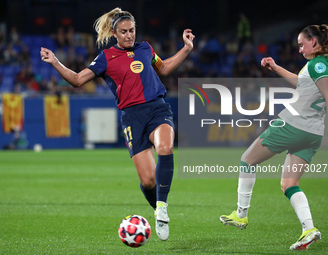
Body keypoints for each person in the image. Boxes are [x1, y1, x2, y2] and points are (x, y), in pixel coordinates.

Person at [40, 7, 195, 241]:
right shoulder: (105, 58)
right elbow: (77, 80)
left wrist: (186, 48)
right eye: (124, 32)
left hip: (157, 108)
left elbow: (163, 68)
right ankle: (156, 207)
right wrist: (55, 62)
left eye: (132, 30)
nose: (129, 35)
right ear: (115, 33)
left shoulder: (146, 48)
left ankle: (162, 208)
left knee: (165, 147)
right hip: (132, 118)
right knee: (148, 180)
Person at [220, 24, 328, 250]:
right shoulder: (320, 66)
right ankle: (309, 229)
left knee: (247, 160)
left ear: (314, 42)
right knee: (289, 184)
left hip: (292, 125)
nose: (299, 50)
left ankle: (241, 215)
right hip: (313, 133)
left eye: (301, 45)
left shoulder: (317, 64)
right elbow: (304, 85)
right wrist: (277, 68)